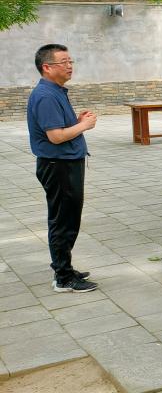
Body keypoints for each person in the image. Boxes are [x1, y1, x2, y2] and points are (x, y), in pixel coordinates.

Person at [28, 44, 98, 293]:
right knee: (63, 221)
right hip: (59, 165)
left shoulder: (55, 91)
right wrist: (84, 126)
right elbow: (56, 137)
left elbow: (59, 128)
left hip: (65, 163)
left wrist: (76, 122)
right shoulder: (46, 96)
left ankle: (64, 267)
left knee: (68, 218)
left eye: (71, 61)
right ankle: (63, 277)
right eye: (64, 62)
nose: (69, 66)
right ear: (47, 67)